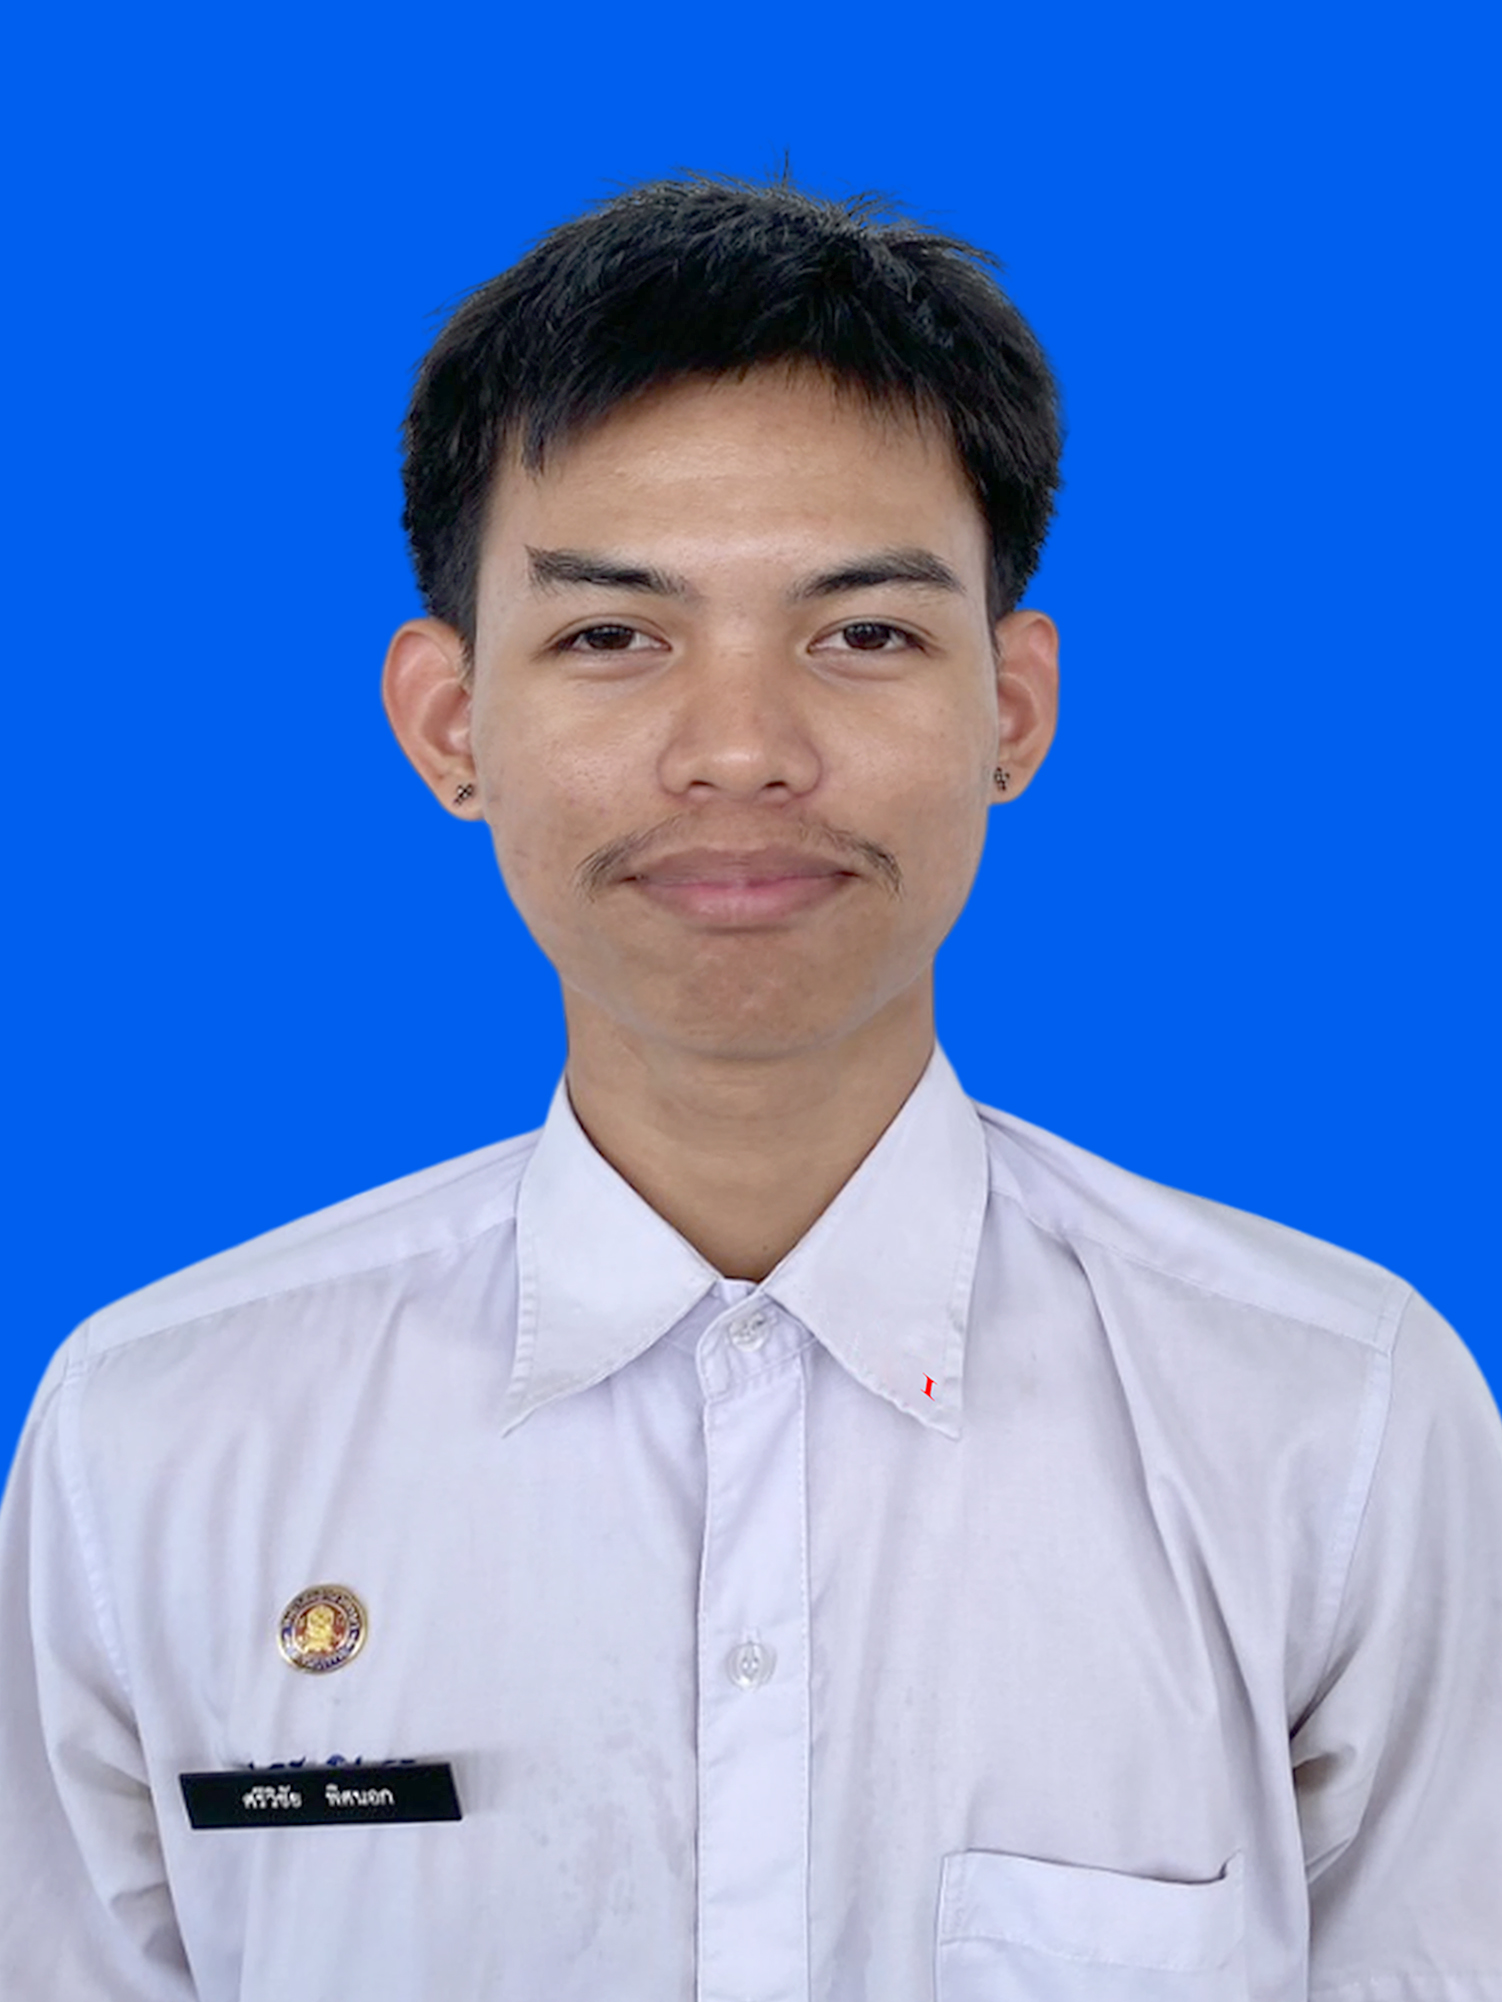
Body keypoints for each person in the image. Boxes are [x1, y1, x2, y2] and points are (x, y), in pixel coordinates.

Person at [1, 164, 1498, 2002]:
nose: (738, 751)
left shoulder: (1332, 1424)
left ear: (1011, 708)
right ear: (451, 724)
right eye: (610, 635)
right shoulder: (155, 1441)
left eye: (861, 633)